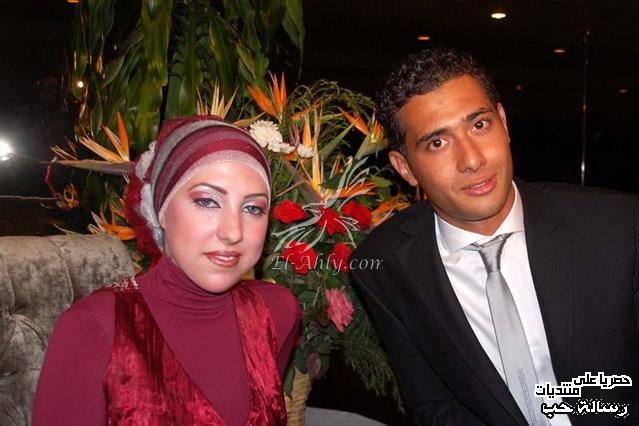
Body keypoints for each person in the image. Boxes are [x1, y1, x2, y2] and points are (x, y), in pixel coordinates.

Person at [350, 48, 639, 425]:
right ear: (405, 168)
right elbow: (433, 404)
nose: (472, 160)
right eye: (437, 143)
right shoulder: (384, 264)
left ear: (503, 123)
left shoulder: (619, 227)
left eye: (479, 125)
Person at [32, 116, 301, 425]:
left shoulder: (276, 312)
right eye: (207, 201)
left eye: (252, 208)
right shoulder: (95, 327)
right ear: (159, 209)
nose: (233, 232)